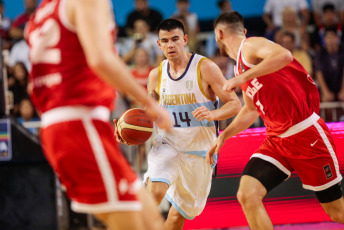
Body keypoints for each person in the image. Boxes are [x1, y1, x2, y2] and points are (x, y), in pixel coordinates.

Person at [25, 0, 172, 230]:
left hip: (62, 124)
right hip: (79, 124)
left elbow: (32, 86)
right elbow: (100, 59)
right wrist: (149, 104)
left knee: (151, 220)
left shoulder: (41, 14)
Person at [207, 11, 344, 230]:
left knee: (337, 212)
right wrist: (224, 135)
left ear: (219, 34)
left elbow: (285, 56)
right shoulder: (238, 67)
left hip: (305, 134)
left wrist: (242, 77)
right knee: (247, 194)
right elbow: (251, 111)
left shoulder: (250, 46)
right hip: (277, 140)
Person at [115, 18, 242, 230]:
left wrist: (214, 114)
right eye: (165, 41)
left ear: (185, 40)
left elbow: (235, 105)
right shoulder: (155, 76)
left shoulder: (206, 68)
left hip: (200, 152)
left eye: (175, 39)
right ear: (159, 45)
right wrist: (126, 129)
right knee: (154, 193)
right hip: (168, 145)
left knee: (176, 219)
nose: (170, 45)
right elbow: (149, 114)